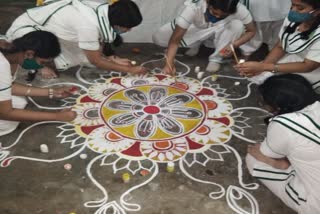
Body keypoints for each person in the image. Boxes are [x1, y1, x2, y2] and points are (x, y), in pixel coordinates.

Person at [6, 0, 147, 79]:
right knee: (72, 61)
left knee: (84, 58)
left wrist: (112, 58)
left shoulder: (104, 11)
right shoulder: (88, 25)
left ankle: (47, 59)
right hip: (28, 31)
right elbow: (96, 60)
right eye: (127, 27)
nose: (128, 30)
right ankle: (41, 64)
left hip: (55, 31)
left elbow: (103, 37)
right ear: (117, 22)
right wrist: (129, 70)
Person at [246, 74, 320, 214]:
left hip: (316, 204)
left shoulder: (285, 123)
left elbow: (266, 153)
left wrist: (277, 163)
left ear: (278, 106)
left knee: (254, 158)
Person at [0, 31, 76, 136]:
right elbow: (5, 113)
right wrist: (57, 117)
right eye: (43, 62)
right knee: (7, 123)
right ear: (29, 54)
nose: (42, 67)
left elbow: (8, 86)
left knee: (19, 102)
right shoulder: (2, 65)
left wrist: (52, 92)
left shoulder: (11, 50)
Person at [152, 0, 257, 74]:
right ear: (207, 2)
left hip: (223, 29)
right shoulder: (193, 8)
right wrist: (169, 64)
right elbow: (175, 40)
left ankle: (216, 58)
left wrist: (233, 45)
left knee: (237, 25)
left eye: (223, 15)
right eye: (214, 13)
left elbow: (251, 31)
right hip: (198, 28)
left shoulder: (239, 9)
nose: (217, 17)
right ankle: (197, 43)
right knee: (159, 37)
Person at [235, 0, 320, 90]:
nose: (293, 10)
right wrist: (263, 67)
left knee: (282, 91)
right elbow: (280, 46)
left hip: (314, 69)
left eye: (300, 8)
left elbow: (308, 66)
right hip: (296, 59)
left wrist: (265, 67)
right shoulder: (293, 19)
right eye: (292, 5)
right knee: (261, 77)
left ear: (317, 11)